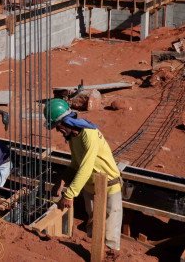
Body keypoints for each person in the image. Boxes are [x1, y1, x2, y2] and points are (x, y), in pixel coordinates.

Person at [44, 99, 123, 256]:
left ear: (66, 121)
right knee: (94, 227)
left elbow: (86, 166)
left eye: (58, 126)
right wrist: (62, 180)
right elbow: (76, 164)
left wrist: (70, 194)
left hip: (109, 186)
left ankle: (109, 256)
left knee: (110, 234)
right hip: (90, 187)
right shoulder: (73, 138)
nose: (58, 130)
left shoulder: (89, 134)